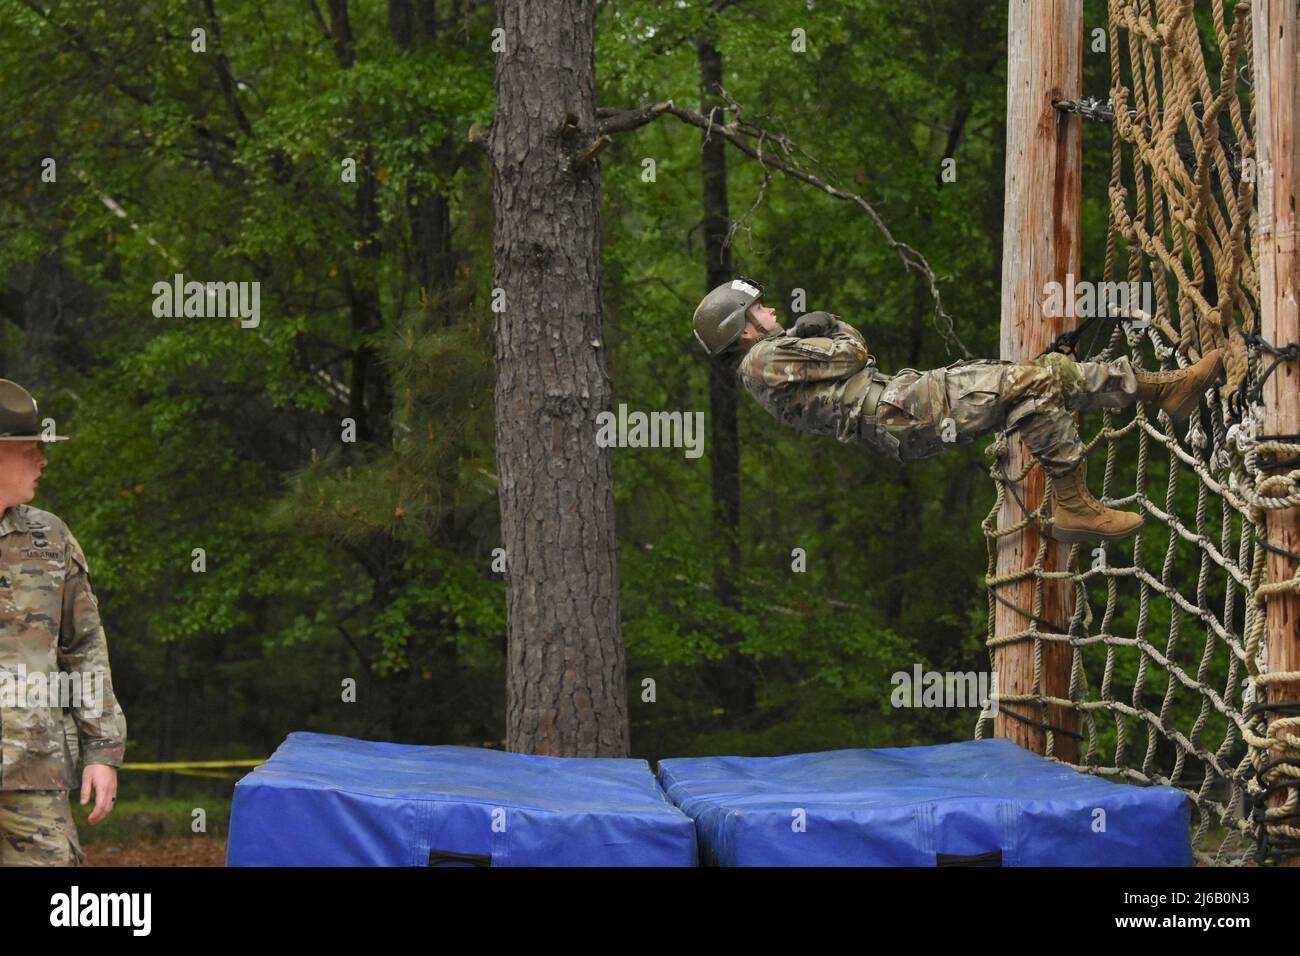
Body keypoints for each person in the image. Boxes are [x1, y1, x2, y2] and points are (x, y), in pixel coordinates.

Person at [691, 278, 1225, 542]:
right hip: (899, 409)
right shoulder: (763, 359)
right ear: (743, 329)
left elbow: (852, 359)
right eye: (760, 309)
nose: (773, 311)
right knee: (1028, 381)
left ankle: (1158, 395)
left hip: (902, 407)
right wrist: (834, 327)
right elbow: (854, 354)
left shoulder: (765, 358)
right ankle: (1087, 487)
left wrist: (833, 333)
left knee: (1034, 387)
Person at [0, 379, 127, 866]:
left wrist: (102, 750)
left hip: (34, 776)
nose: (43, 461)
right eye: (30, 450)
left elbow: (85, 647)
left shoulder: (49, 537)